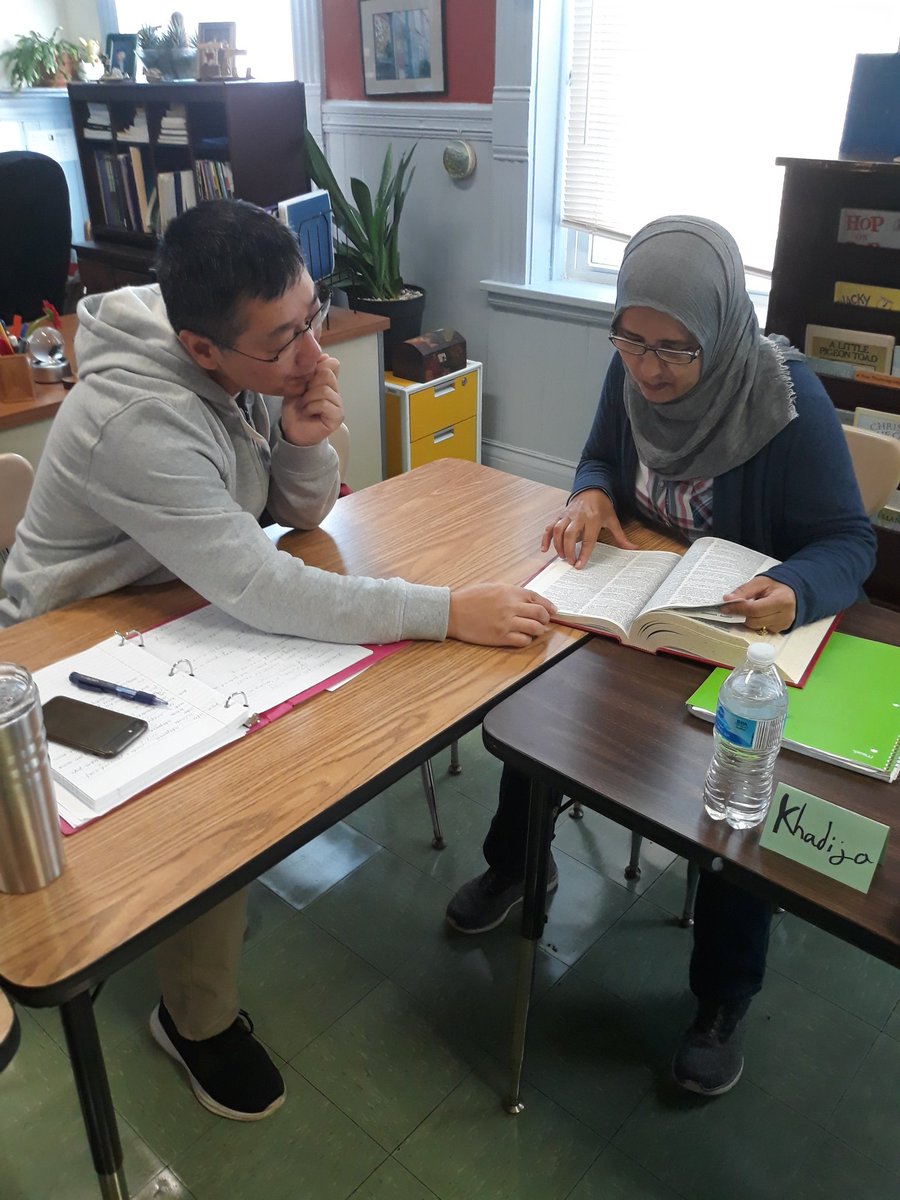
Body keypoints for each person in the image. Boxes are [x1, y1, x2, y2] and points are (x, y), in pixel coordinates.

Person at [0, 199, 555, 1121]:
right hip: (68, 650)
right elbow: (267, 587)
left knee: (305, 715)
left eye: (315, 314)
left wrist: (302, 440)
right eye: (284, 340)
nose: (312, 354)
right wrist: (448, 610)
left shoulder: (249, 347)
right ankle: (195, 1022)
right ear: (202, 348)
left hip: (174, 602)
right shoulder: (135, 415)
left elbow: (293, 519)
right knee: (223, 784)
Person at [445, 215, 876, 1097]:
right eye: (632, 342)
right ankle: (521, 861)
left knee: (734, 797)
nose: (650, 369)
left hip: (731, 638)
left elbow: (849, 540)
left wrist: (795, 586)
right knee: (535, 706)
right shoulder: (630, 376)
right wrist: (590, 498)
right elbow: (602, 455)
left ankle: (723, 995)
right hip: (635, 609)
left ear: (721, 328)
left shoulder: (785, 403)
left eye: (675, 350)